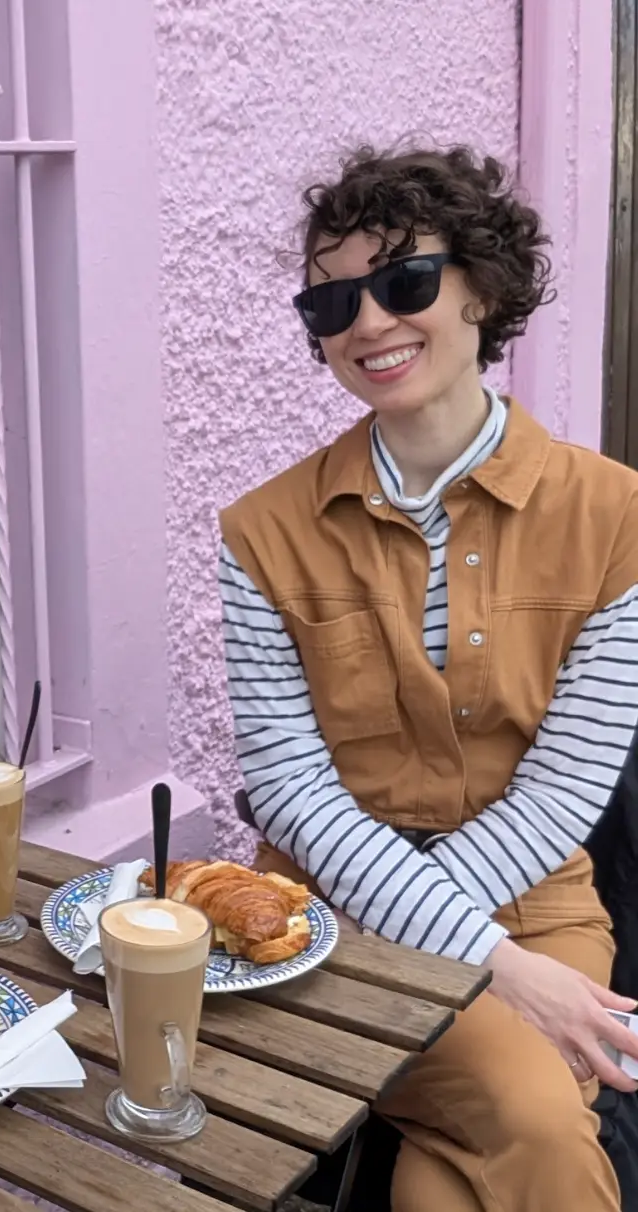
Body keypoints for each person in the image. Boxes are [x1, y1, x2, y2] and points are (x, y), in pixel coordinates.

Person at [218, 144, 638, 1210]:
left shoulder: (615, 517)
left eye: (402, 281)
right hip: (318, 916)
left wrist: (465, 944)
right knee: (534, 1116)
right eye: (329, 301)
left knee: (459, 1165)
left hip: (533, 907)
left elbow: (561, 791)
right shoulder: (259, 533)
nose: (365, 323)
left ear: (481, 289)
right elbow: (294, 796)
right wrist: (491, 970)